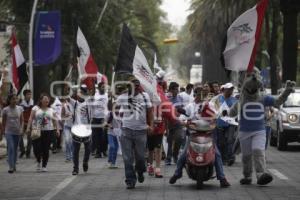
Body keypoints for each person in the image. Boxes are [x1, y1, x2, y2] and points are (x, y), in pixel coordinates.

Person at [169, 87, 231, 188]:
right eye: (199, 93)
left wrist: (215, 120)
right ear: (195, 94)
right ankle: (177, 173)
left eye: (203, 93)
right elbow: (182, 118)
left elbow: (216, 116)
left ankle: (222, 178)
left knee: (217, 155)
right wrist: (184, 122)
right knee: (183, 155)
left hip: (208, 135)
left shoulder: (209, 105)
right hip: (193, 135)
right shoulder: (190, 106)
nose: (201, 95)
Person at [116, 77, 153, 189]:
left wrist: (151, 125)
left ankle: (140, 171)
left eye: (138, 85)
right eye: (134, 86)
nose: (137, 88)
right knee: (127, 158)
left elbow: (150, 112)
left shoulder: (145, 96)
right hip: (126, 130)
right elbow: (113, 108)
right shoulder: (122, 97)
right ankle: (130, 180)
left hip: (141, 131)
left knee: (141, 157)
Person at [26, 93, 60, 172]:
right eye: (45, 99)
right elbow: (31, 118)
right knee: (36, 149)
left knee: (45, 149)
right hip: (37, 130)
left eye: (47, 99)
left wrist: (57, 130)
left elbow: (55, 120)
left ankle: (44, 165)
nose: (46, 100)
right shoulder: (35, 108)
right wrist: (28, 128)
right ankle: (38, 161)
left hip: (48, 131)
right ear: (41, 100)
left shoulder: (51, 110)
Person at [210, 83, 237, 166]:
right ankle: (222, 158)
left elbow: (238, 111)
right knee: (221, 142)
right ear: (224, 89)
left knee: (230, 140)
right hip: (220, 123)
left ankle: (230, 157)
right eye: (228, 89)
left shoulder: (234, 100)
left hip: (231, 124)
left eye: (231, 89)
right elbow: (210, 107)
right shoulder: (217, 98)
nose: (230, 91)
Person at [70, 87, 92, 175]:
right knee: (75, 150)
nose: (78, 95)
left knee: (88, 149)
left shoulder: (88, 103)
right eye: (78, 93)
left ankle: (85, 162)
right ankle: (75, 168)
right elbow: (67, 97)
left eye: (80, 93)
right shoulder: (74, 103)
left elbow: (92, 94)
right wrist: (66, 83)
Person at [1, 94, 24, 173]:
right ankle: (10, 166)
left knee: (15, 149)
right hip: (8, 132)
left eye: (16, 99)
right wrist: (2, 132)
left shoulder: (20, 108)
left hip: (17, 132)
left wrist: (21, 129)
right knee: (10, 148)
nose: (15, 100)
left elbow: (22, 120)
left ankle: (14, 165)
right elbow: (3, 122)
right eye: (13, 99)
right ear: (9, 100)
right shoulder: (5, 110)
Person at [166, 82, 185, 165]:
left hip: (178, 122)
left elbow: (182, 108)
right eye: (176, 89)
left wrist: (180, 112)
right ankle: (168, 158)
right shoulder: (166, 98)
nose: (177, 91)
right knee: (169, 141)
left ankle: (175, 155)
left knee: (179, 138)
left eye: (178, 89)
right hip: (168, 122)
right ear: (171, 90)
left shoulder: (180, 97)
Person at [90, 81, 109, 158]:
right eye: (102, 87)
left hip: (103, 119)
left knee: (103, 137)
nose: (104, 88)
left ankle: (103, 150)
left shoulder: (107, 95)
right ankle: (98, 152)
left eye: (104, 87)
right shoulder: (95, 95)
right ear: (99, 88)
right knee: (95, 136)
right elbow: (91, 106)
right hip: (95, 118)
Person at [19, 89, 34, 158]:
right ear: (24, 95)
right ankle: (22, 150)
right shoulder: (20, 103)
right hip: (22, 122)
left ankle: (28, 152)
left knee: (30, 138)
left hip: (30, 122)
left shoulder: (33, 103)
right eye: (28, 94)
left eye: (30, 94)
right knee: (19, 137)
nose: (29, 96)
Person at [106, 102, 121, 169]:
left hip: (117, 134)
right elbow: (105, 122)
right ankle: (109, 160)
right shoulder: (110, 114)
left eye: (118, 108)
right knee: (112, 146)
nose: (117, 110)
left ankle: (113, 163)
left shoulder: (121, 115)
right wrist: (110, 126)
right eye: (116, 108)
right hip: (110, 133)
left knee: (116, 148)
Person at [61, 97, 73, 162]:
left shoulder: (75, 105)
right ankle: (68, 157)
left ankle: (73, 155)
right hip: (66, 126)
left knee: (72, 141)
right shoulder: (64, 106)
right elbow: (61, 116)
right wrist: (65, 116)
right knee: (67, 140)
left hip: (74, 126)